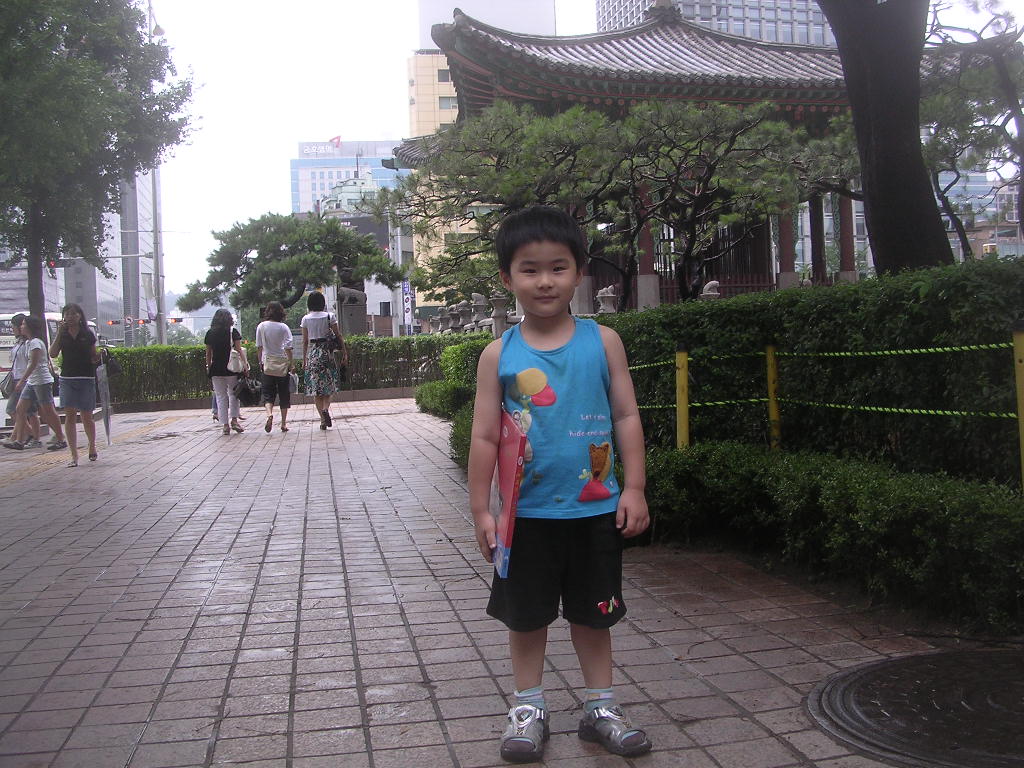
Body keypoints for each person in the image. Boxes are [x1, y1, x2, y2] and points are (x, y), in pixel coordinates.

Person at [468, 206, 652, 762]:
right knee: (526, 619)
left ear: (579, 273)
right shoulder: (499, 354)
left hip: (594, 512)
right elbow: (484, 435)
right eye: (529, 269)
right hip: (525, 518)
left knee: (594, 616)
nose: (544, 281)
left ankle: (601, 708)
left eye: (558, 267)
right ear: (507, 278)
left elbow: (626, 416)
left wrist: (635, 488)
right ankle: (528, 708)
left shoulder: (604, 341)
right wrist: (482, 510)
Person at [49, 304, 101, 465]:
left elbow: (93, 355)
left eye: (74, 314)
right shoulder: (62, 334)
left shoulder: (87, 333)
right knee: (70, 415)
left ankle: (92, 446)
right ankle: (74, 455)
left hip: (86, 378)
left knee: (87, 416)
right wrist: (59, 332)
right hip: (67, 379)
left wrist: (99, 356)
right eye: (67, 314)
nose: (70, 317)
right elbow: (53, 353)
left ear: (80, 316)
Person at [11, 316, 67, 457]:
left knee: (48, 411)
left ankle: (61, 438)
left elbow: (33, 364)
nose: (21, 326)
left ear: (30, 327)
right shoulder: (29, 342)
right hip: (32, 381)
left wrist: (21, 380)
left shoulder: (36, 342)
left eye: (23, 324)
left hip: (41, 381)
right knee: (20, 409)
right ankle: (19, 441)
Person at [300, 291, 347, 430]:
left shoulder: (305, 319)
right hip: (327, 354)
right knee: (329, 386)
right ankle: (326, 409)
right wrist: (345, 352)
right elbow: (338, 336)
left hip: (313, 354)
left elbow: (305, 341)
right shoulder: (329, 316)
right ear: (322, 303)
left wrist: (304, 359)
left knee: (316, 390)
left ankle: (322, 420)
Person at [3, 313, 44, 450]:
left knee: (19, 410)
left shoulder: (30, 343)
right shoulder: (20, 342)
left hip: (25, 380)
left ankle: (32, 436)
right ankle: (23, 437)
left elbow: (32, 363)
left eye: (15, 326)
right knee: (24, 411)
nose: (14, 329)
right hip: (18, 378)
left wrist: (23, 379)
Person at [205, 308, 248, 435]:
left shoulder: (210, 333)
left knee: (220, 396)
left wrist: (209, 367)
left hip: (216, 369)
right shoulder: (232, 331)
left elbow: (208, 353)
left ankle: (225, 425)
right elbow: (239, 350)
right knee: (234, 394)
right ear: (229, 319)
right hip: (232, 368)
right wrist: (245, 365)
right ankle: (234, 420)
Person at [255, 301, 294, 433]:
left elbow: (259, 347)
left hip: (267, 364)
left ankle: (269, 414)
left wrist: (260, 362)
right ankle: (283, 424)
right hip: (282, 365)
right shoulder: (284, 327)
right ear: (281, 312)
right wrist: (291, 363)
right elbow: (288, 347)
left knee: (267, 394)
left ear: (268, 312)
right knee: (284, 394)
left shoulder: (261, 326)